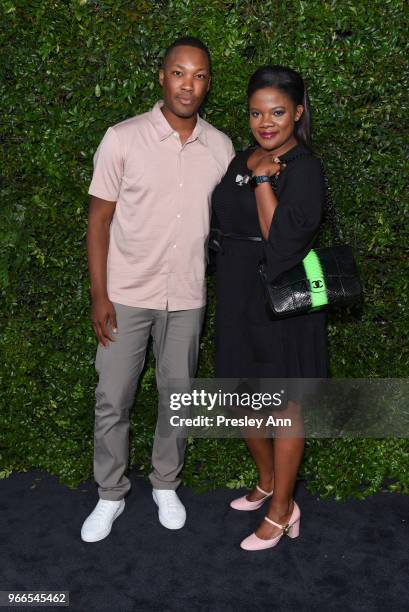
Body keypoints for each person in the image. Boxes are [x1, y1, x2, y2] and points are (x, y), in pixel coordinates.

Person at [81, 37, 234, 542]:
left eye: (199, 75)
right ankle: (110, 494)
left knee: (179, 396)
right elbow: (98, 221)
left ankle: (165, 483)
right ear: (162, 77)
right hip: (125, 293)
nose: (187, 84)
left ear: (208, 84)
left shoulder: (221, 147)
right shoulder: (122, 138)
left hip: (187, 296)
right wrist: (100, 296)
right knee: (113, 398)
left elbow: (231, 223)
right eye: (178, 73)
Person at [211, 65, 328, 551]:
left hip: (283, 303)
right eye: (257, 112)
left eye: (277, 112)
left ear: (297, 113)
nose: (265, 122)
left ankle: (283, 509)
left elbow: (281, 247)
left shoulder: (305, 168)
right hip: (238, 297)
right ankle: (266, 482)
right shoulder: (241, 156)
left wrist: (262, 180)